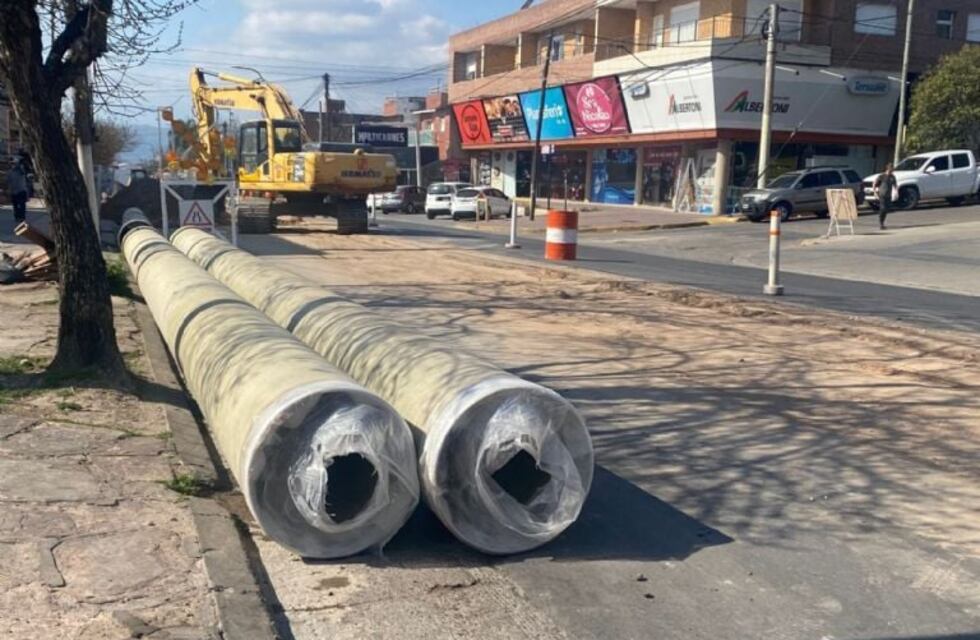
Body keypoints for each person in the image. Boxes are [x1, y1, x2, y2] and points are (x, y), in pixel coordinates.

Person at [873, 163, 897, 230]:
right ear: (888, 168)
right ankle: (881, 223)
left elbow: (895, 185)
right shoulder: (882, 176)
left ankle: (882, 223)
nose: (892, 170)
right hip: (882, 194)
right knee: (883, 208)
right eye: (891, 169)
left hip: (888, 195)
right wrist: (875, 192)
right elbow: (875, 184)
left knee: (886, 209)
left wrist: (896, 192)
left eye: (892, 169)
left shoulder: (893, 177)